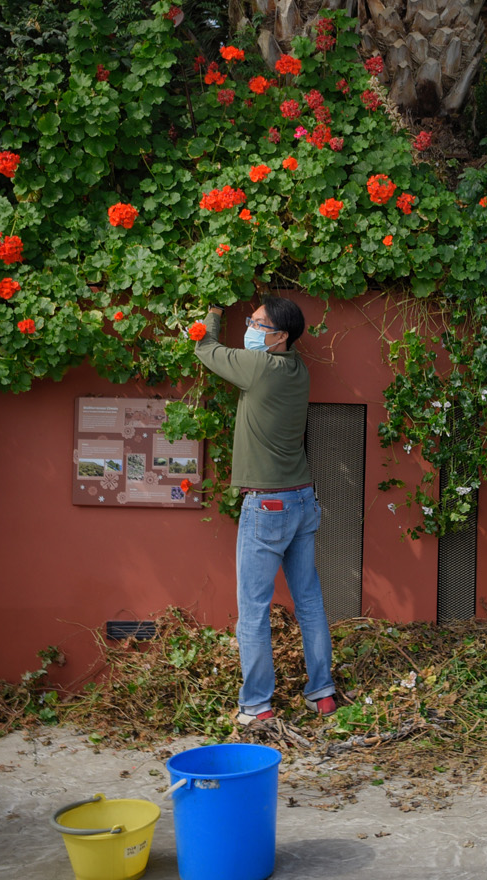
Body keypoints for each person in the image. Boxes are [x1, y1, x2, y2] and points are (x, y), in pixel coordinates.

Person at [195, 293, 338, 726]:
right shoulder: (297, 369)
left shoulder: (258, 369)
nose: (251, 330)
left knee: (253, 608)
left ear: (280, 337)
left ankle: (257, 705)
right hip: (301, 500)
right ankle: (323, 693)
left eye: (258, 325)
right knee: (309, 600)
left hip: (269, 504)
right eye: (251, 323)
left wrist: (215, 310)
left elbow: (204, 347)